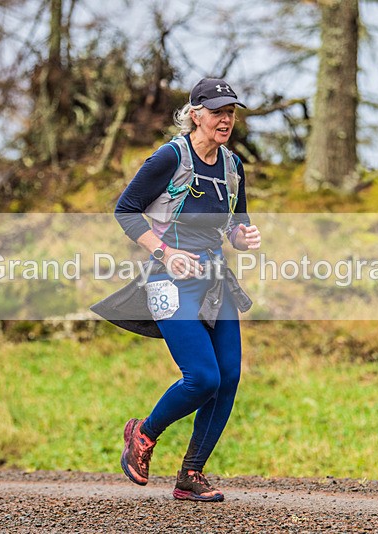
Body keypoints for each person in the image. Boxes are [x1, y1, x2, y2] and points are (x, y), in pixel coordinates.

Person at [113, 78, 261, 502]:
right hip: (169, 280)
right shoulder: (170, 157)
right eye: (217, 112)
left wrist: (243, 237)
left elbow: (234, 224)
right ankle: (144, 433)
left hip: (215, 281)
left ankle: (191, 474)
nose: (226, 120)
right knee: (202, 377)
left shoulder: (232, 166)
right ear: (195, 114)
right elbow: (126, 210)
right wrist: (164, 252)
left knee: (228, 378)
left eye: (230, 112)